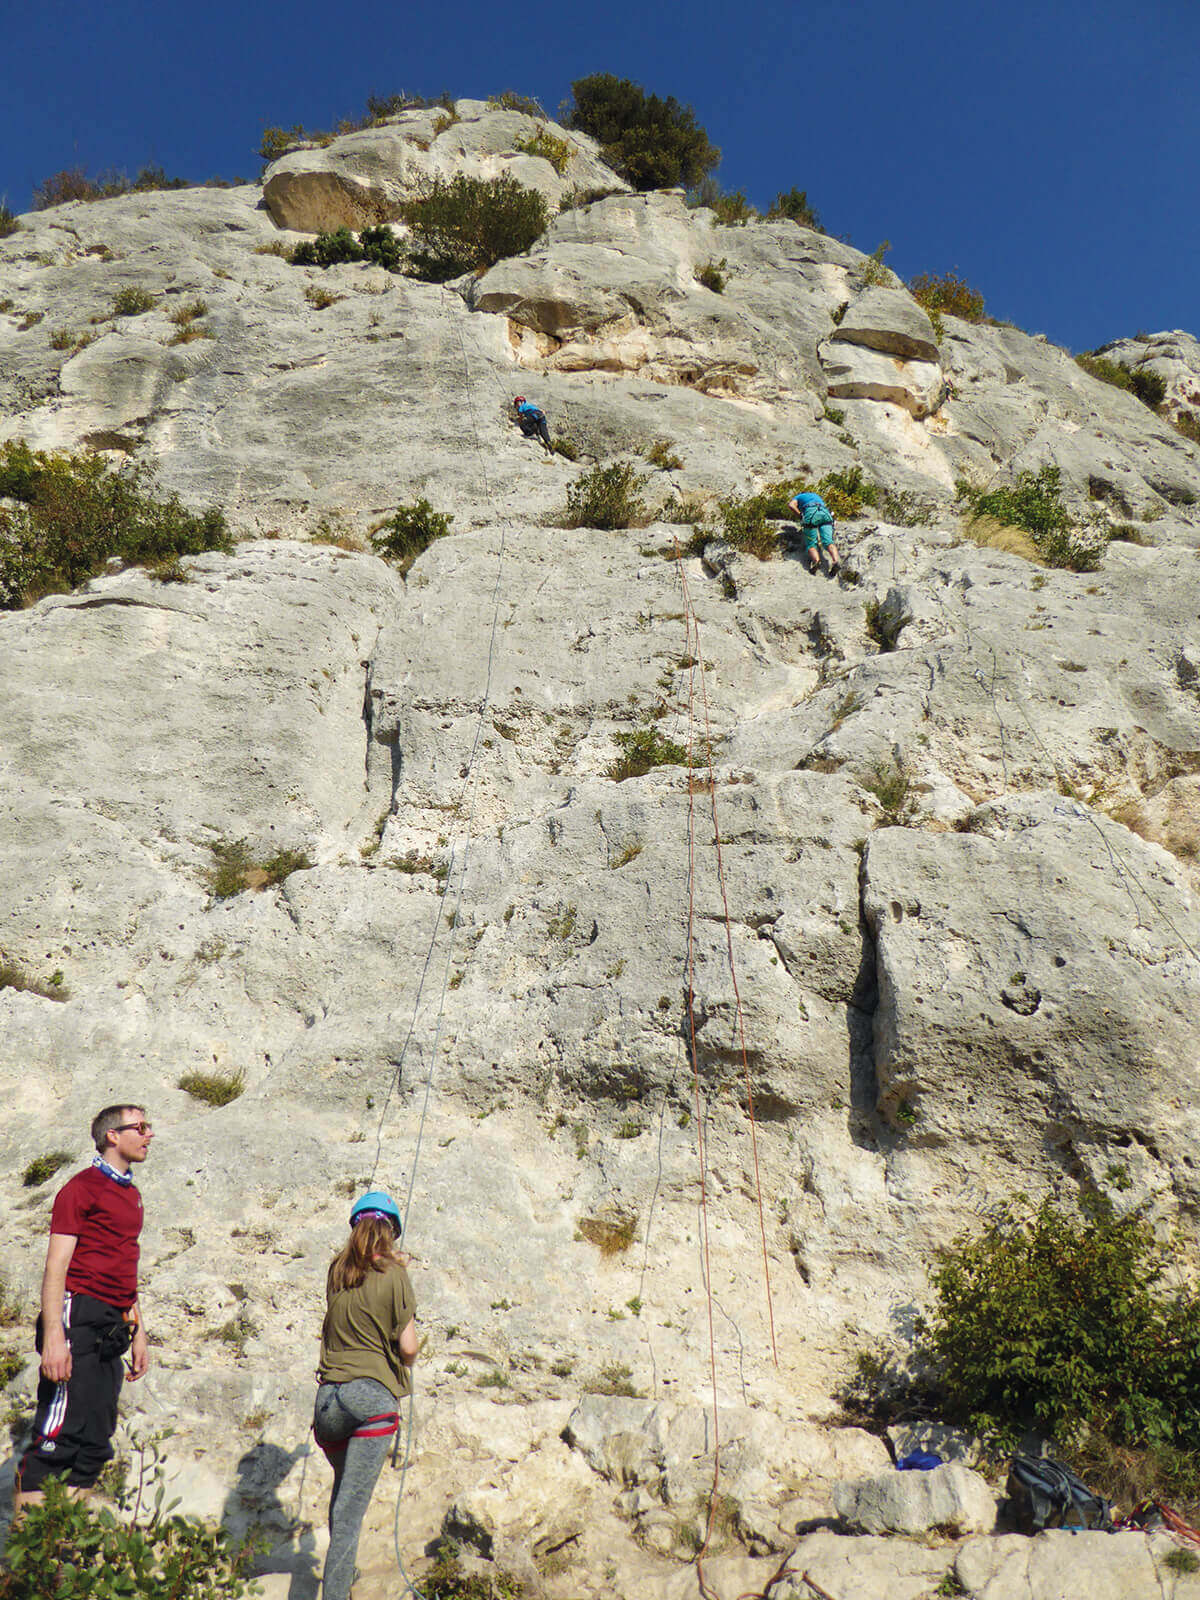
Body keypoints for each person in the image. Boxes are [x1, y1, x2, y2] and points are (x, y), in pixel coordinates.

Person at [16, 1105, 153, 1510]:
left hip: (113, 1323)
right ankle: (28, 1546)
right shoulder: (81, 1188)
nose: (149, 1135)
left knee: (95, 1440)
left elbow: (124, 1266)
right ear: (113, 1135)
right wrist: (54, 1337)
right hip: (77, 1315)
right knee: (59, 1437)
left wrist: (139, 1332)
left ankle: (64, 1542)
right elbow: (56, 1265)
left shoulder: (130, 1194)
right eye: (140, 1127)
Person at [313, 1190, 417, 1600]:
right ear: (391, 1231)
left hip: (327, 1404)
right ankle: (336, 1593)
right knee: (350, 1510)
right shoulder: (395, 1275)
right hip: (370, 1400)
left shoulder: (336, 1272)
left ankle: (342, 1571)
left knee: (344, 1494)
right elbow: (408, 1347)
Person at [787, 488, 840, 577]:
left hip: (811, 513)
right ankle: (835, 561)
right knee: (828, 541)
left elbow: (791, 505)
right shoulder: (816, 496)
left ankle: (816, 561)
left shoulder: (799, 496)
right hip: (824, 512)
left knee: (811, 543)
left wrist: (800, 515)